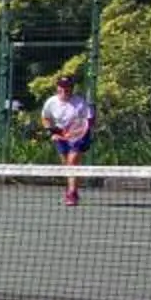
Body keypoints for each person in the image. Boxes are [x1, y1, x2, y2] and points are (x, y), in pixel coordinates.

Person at [39, 70, 95, 206]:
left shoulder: (80, 103)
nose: (64, 90)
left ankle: (71, 193)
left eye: (67, 87)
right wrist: (52, 132)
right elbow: (45, 118)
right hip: (60, 135)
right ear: (57, 88)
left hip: (79, 135)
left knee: (72, 161)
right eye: (61, 87)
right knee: (67, 165)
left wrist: (77, 132)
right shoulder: (51, 102)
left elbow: (90, 119)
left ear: (72, 88)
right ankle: (73, 190)